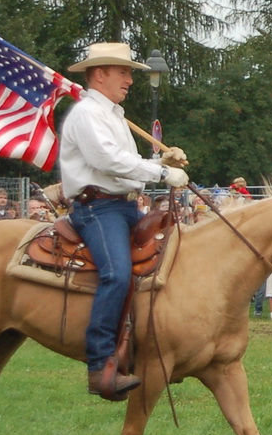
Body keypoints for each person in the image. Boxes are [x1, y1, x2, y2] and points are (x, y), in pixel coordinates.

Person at [58, 42, 191, 401]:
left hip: (126, 206)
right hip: (98, 209)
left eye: (129, 73)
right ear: (99, 74)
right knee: (116, 274)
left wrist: (164, 162)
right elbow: (107, 160)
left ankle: (150, 343)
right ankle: (101, 364)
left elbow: (123, 165)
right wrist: (161, 173)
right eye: (124, 72)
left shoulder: (112, 115)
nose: (130, 80)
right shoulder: (87, 114)